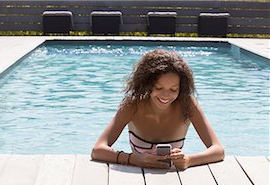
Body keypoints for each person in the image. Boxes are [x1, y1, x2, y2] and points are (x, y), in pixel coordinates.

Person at [91, 49, 224, 170]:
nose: (166, 95)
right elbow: (97, 150)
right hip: (137, 179)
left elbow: (218, 150)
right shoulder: (132, 105)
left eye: (173, 89)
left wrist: (189, 160)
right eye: (159, 88)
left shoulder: (187, 105)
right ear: (147, 84)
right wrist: (133, 159)